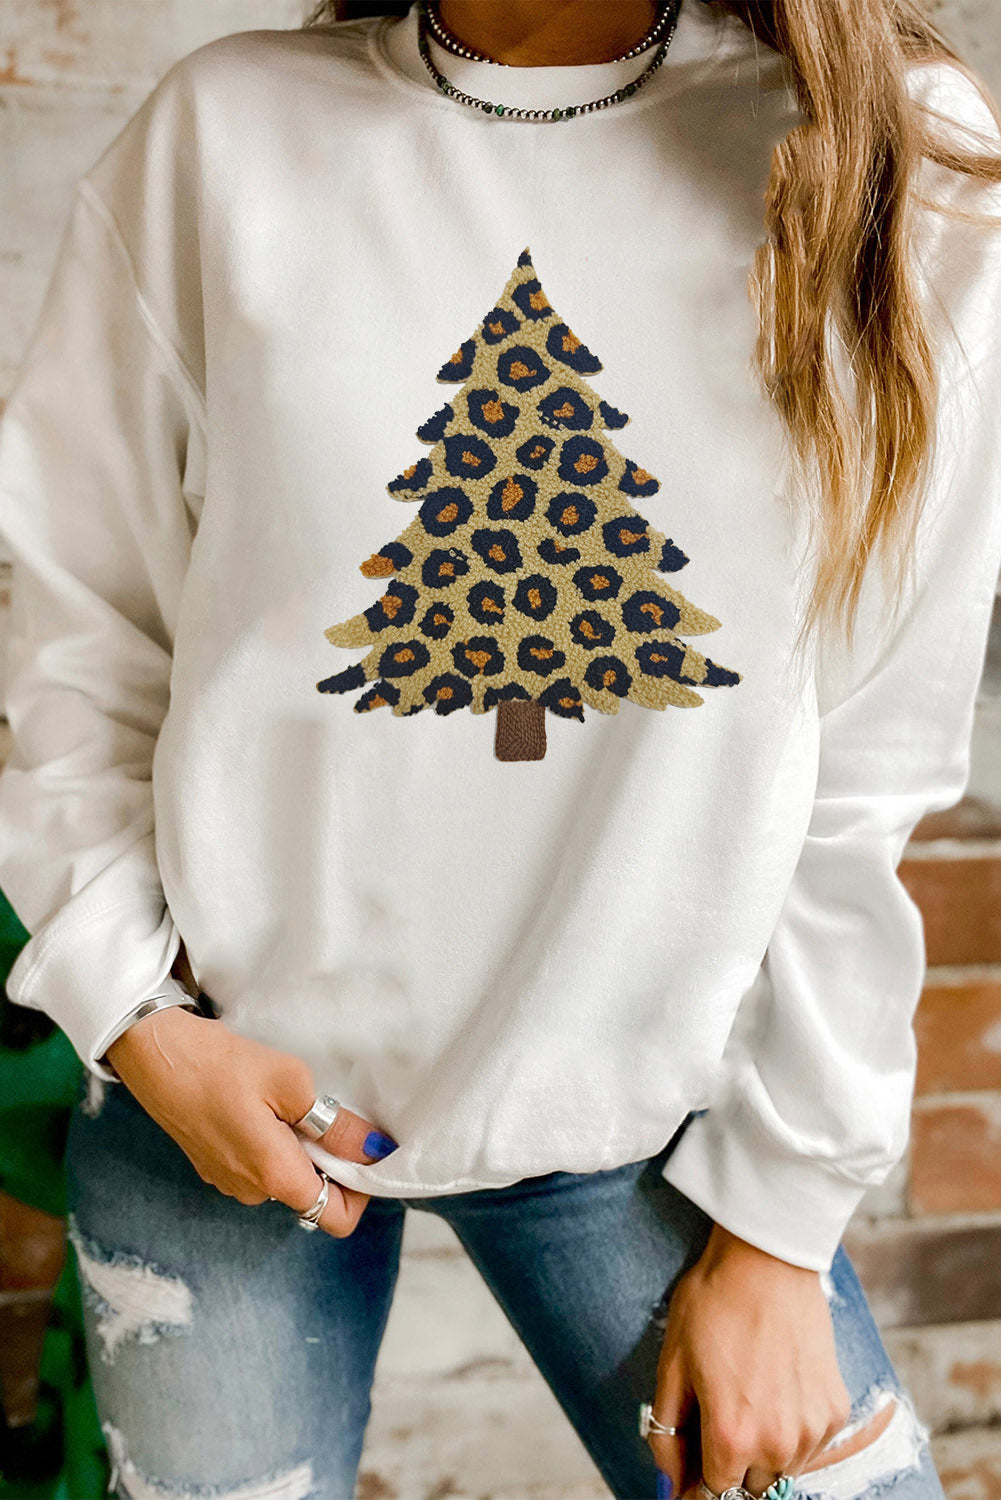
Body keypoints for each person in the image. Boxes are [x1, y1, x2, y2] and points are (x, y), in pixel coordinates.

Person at [0, 0, 998, 1495]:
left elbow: (870, 760)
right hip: (217, 1079)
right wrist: (137, 1018)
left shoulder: (895, 156)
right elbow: (84, 626)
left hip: (649, 1121)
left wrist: (781, 1229)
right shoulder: (223, 137)